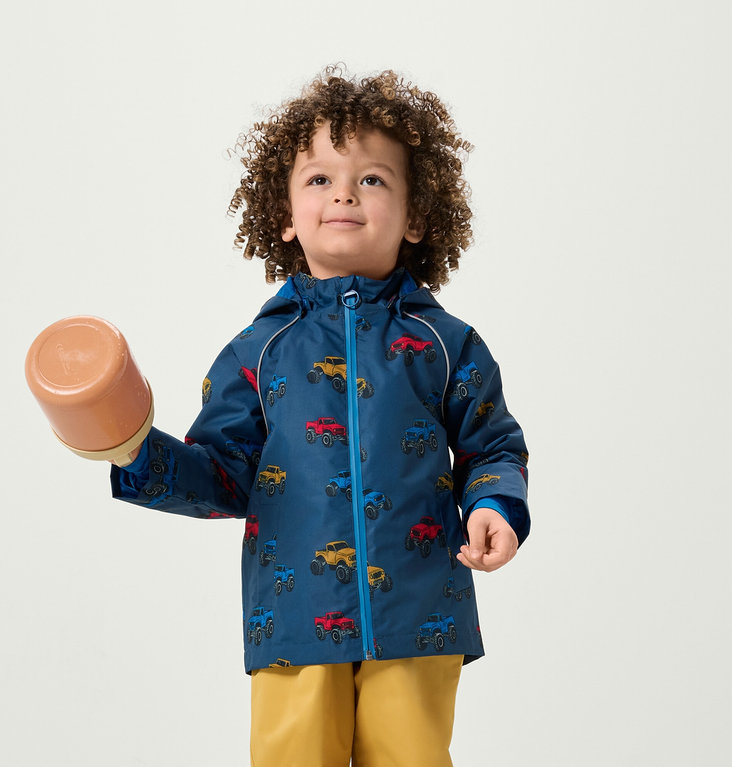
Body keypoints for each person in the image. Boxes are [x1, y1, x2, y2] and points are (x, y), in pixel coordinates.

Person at [111, 66, 530, 767]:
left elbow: (492, 444)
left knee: (412, 756)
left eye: (371, 178)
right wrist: (130, 448)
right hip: (295, 617)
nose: (343, 191)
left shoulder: (445, 343)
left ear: (418, 215)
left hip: (420, 612)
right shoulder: (258, 349)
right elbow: (220, 474)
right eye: (318, 179)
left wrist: (497, 505)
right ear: (283, 213)